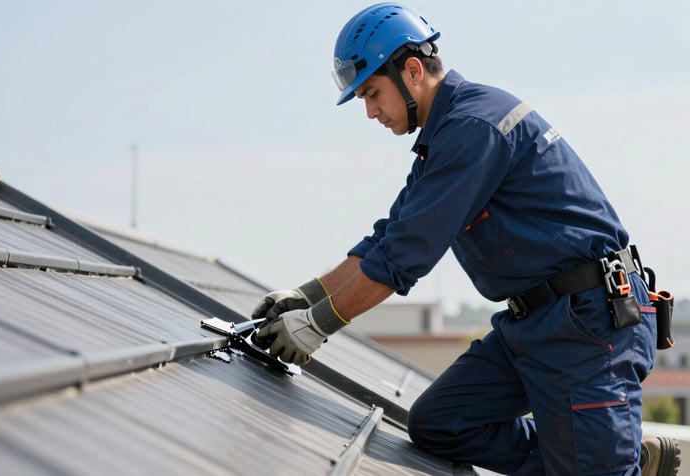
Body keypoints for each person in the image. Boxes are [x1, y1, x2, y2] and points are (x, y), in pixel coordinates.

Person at [251, 3, 680, 475]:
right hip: (535, 324)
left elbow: (402, 257)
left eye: (372, 93)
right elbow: (387, 237)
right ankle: (607, 453)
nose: (370, 112)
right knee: (443, 424)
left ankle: (601, 457)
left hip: (588, 324)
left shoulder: (475, 127)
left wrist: (317, 324)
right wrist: (306, 295)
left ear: (412, 71)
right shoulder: (445, 138)